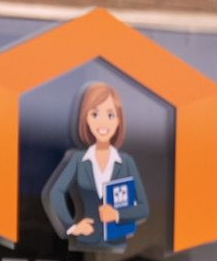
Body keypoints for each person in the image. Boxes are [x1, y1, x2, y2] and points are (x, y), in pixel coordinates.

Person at [42, 78, 149, 249]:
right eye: (95, 114)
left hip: (115, 243)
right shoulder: (78, 160)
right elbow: (55, 194)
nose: (102, 123)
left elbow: (143, 208)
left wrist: (117, 214)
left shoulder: (126, 162)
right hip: (85, 241)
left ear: (118, 121)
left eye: (110, 115)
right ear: (86, 119)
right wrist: (72, 227)